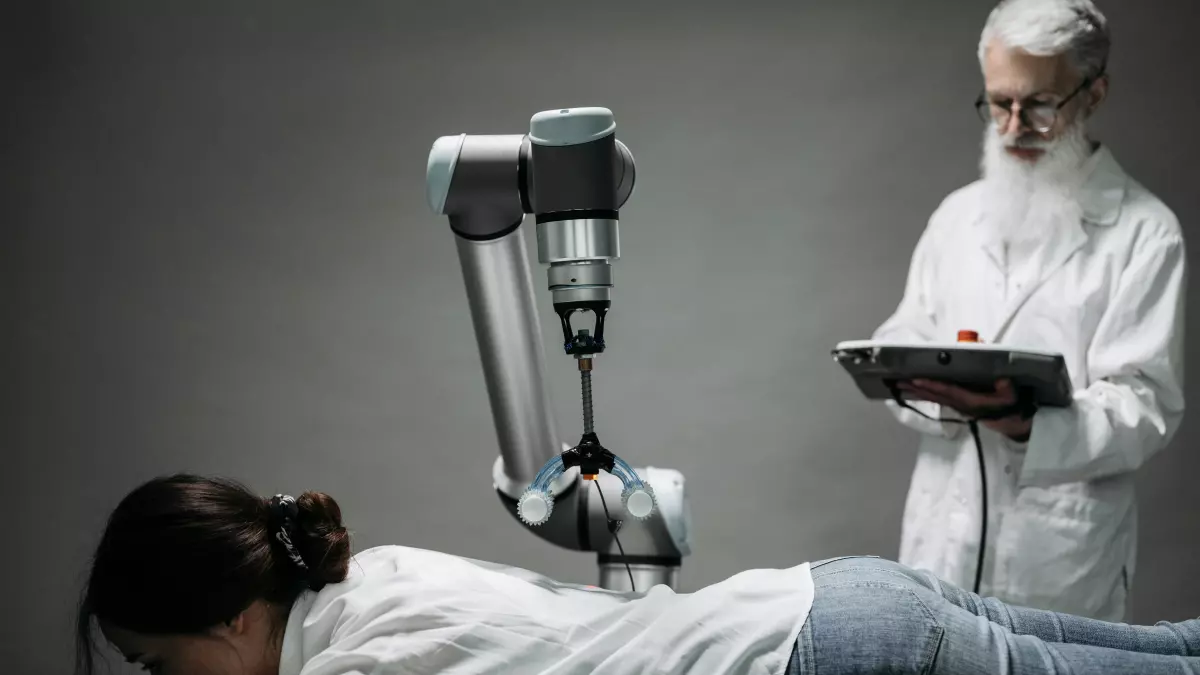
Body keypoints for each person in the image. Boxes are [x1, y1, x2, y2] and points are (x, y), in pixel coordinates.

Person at [76, 474, 1200, 675]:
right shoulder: (371, 582)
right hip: (840, 599)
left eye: (157, 667)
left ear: (225, 625)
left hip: (828, 654)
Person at [873, 0, 1186, 621]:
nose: (1013, 126)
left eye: (1039, 105)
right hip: (941, 540)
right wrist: (920, 379)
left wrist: (1025, 422)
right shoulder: (957, 216)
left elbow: (1146, 404)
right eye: (999, 102)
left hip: (1060, 557)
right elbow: (907, 331)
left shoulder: (1145, 233)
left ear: (1093, 95)